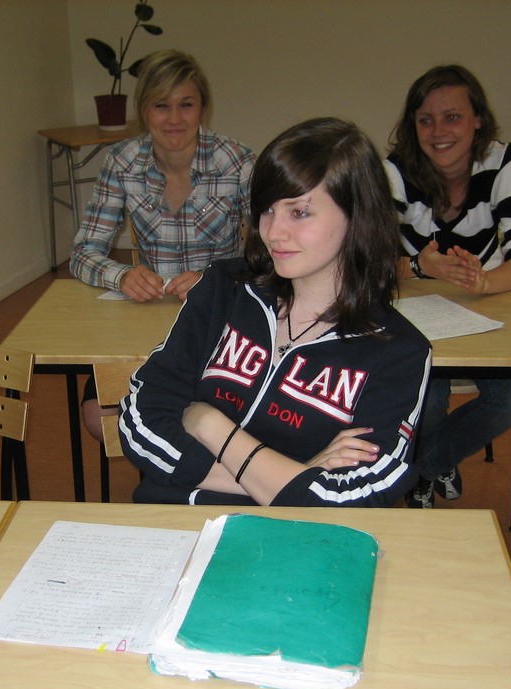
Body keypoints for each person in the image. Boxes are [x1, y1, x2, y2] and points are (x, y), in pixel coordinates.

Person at [118, 117, 432, 507]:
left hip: (283, 536)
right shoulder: (223, 289)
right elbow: (140, 420)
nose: (273, 232)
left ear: (357, 216)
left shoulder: (398, 351)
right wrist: (297, 475)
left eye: (299, 212)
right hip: (171, 520)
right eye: (267, 209)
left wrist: (209, 424)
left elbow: (351, 497)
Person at [68, 49, 256, 440]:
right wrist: (122, 276)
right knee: (97, 414)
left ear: (203, 107)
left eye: (186, 104)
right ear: (144, 110)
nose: (174, 119)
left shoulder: (238, 161)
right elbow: (83, 252)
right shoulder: (122, 162)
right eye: (161, 106)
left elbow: (269, 255)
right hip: (149, 317)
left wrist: (214, 279)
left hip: (221, 323)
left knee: (212, 418)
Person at [385, 64, 511, 508]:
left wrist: (486, 280)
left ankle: (424, 468)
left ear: (478, 120)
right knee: (429, 399)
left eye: (452, 117)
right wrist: (420, 266)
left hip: (484, 303)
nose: (439, 132)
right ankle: (431, 468)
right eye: (426, 120)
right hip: (412, 303)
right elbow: (366, 259)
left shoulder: (503, 160)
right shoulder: (394, 170)